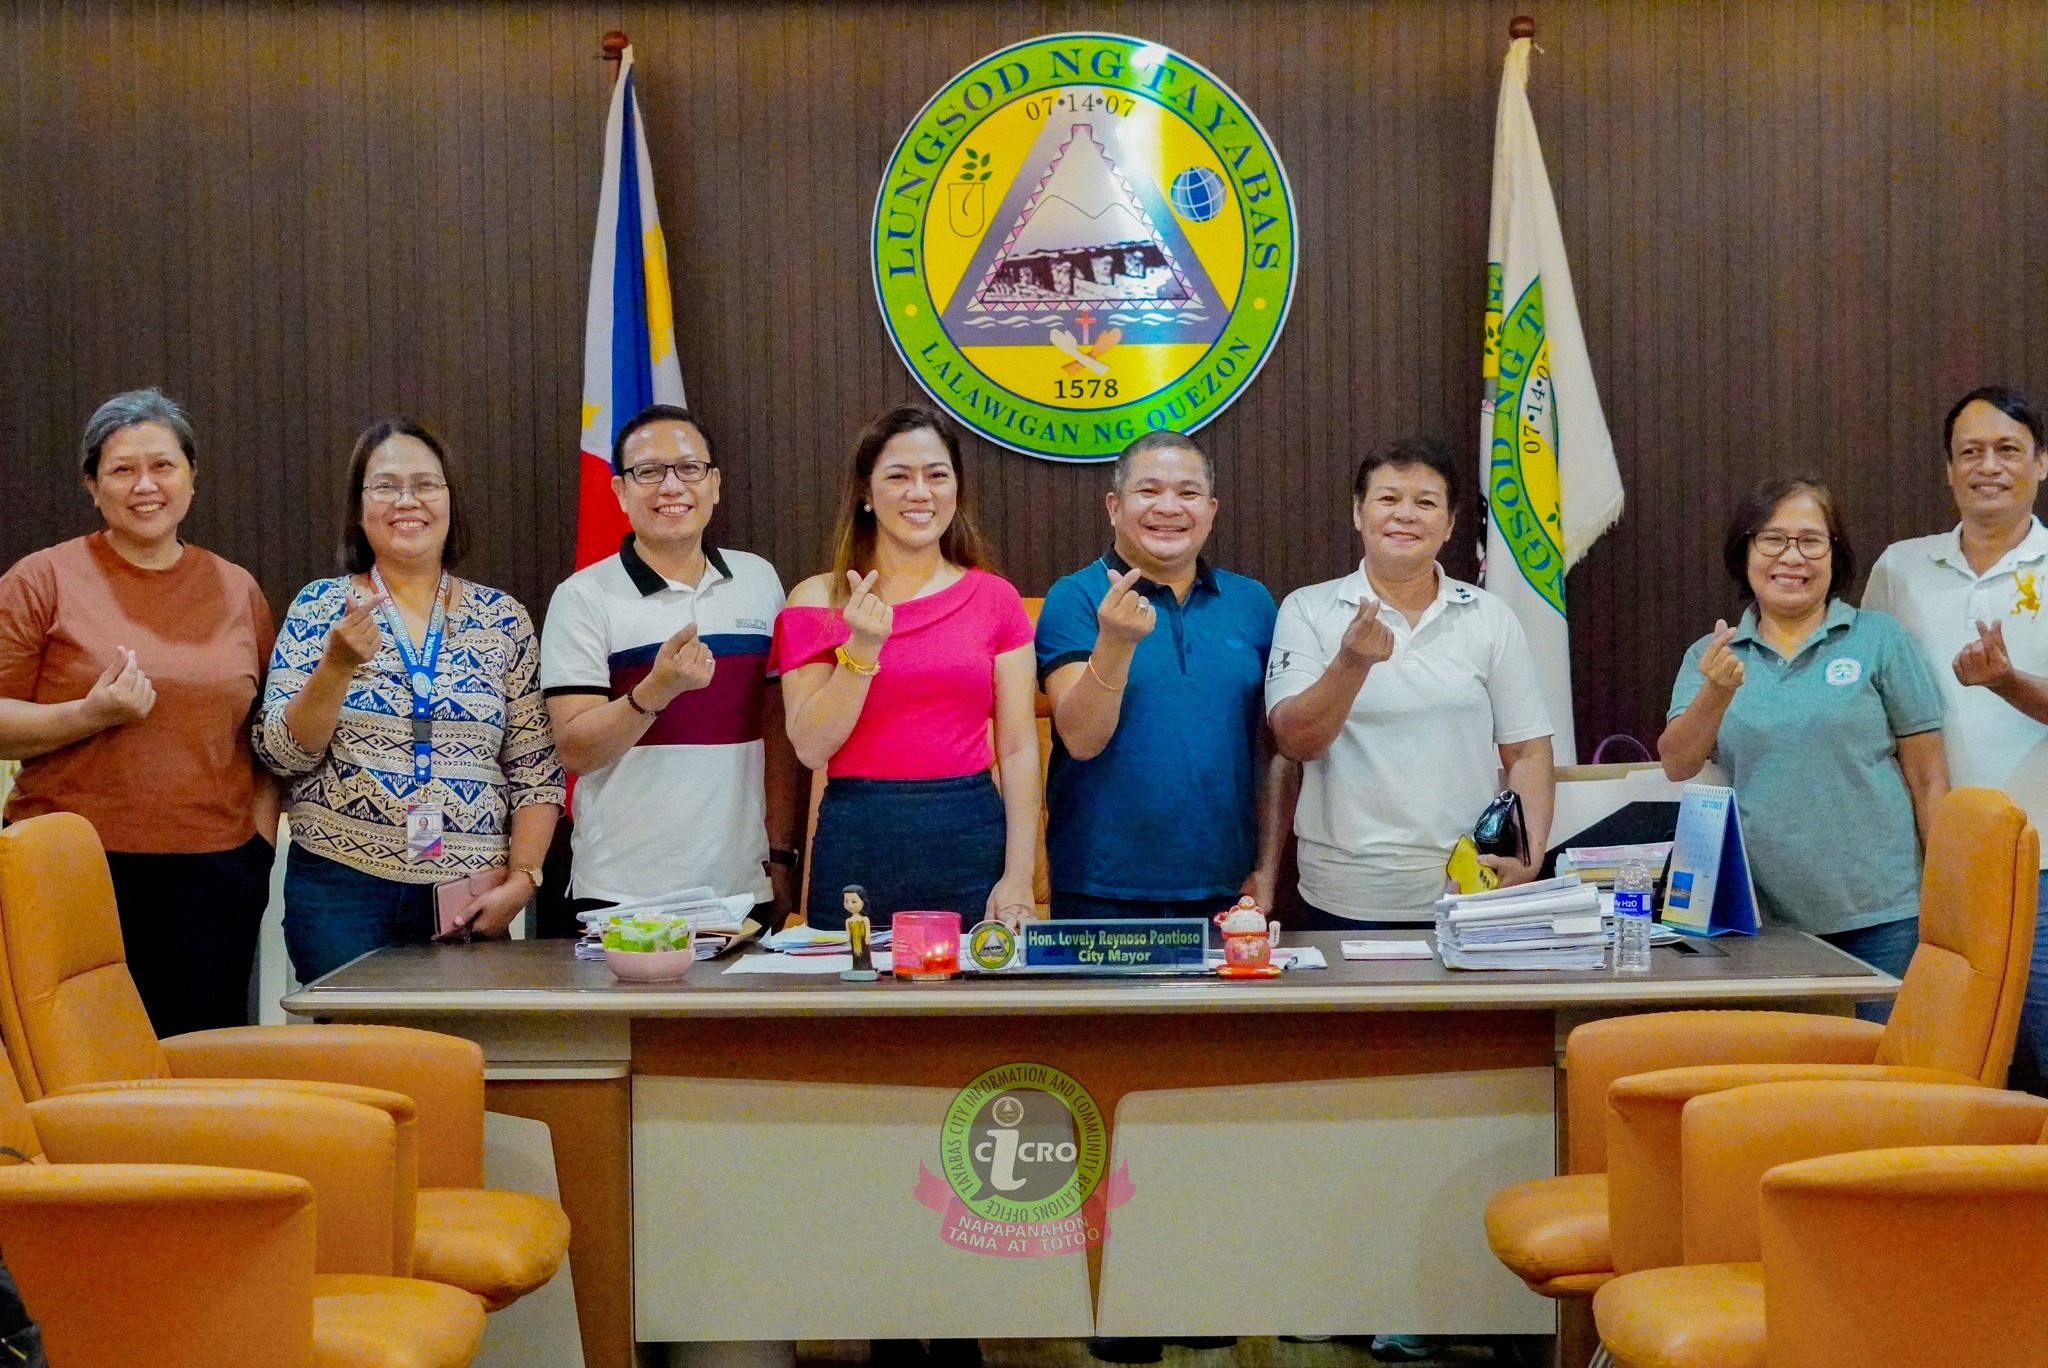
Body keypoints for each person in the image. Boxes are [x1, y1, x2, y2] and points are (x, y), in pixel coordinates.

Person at [0, 388, 277, 1037]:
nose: (144, 485)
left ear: (191, 478)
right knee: (70, 1068)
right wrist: (88, 715)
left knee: (197, 1068)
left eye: (163, 466)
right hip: (67, 868)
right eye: (122, 469)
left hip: (215, 876)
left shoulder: (237, 588)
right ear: (93, 485)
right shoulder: (43, 579)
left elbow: (269, 735)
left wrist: (256, 847)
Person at [256, 419, 563, 983]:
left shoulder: (503, 618)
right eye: (385, 486)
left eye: (425, 484)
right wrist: (336, 666)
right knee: (356, 1062)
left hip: (469, 892)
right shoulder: (321, 607)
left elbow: (536, 770)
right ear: (359, 507)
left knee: (457, 1061)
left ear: (450, 501)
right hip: (341, 890)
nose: (407, 501)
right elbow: (282, 754)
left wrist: (524, 880)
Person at [1662, 476, 1947, 1015]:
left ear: (1835, 555)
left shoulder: (1879, 638)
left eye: (1811, 541)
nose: (1792, 557)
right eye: (1772, 539)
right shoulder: (1712, 652)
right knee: (1790, 1085)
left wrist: (1944, 892)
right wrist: (1716, 691)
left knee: (1884, 1082)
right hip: (1762, 924)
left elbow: (1929, 777)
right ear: (1745, 553)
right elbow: (1678, 762)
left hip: (1884, 916)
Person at [1266, 435, 1555, 926]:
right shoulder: (1308, 609)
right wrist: (1351, 664)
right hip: (1341, 897)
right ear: (1359, 513)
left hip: (1467, 890)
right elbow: (1295, 741)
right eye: (1388, 499)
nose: (1406, 515)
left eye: (1426, 503)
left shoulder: (1489, 616)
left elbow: (1526, 750)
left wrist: (1527, 852)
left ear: (1449, 524)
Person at [776, 403, 1039, 934]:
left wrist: (1018, 876)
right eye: (898, 476)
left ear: (956, 490)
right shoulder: (815, 600)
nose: (920, 492)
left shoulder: (996, 599)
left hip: (969, 832)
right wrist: (862, 652)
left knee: (971, 1011)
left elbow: (1018, 745)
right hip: (858, 833)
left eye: (937, 475)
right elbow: (810, 746)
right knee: (854, 1010)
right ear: (867, 495)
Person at [541, 405, 802, 923]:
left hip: (742, 886)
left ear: (715, 483)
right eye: (648, 472)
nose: (671, 486)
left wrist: (779, 856)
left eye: (688, 468)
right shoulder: (583, 596)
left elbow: (777, 731)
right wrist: (656, 690)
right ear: (619, 490)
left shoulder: (759, 581)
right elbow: (575, 749)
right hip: (623, 889)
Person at [1865, 387, 2048, 1074]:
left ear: (2041, 463)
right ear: (1948, 469)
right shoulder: (1899, 567)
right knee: (1950, 1065)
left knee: (2036, 1054)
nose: (1987, 466)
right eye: (1969, 452)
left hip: (2041, 862)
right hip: (1928, 864)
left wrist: (2008, 681)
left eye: (2007, 450)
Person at [1035, 429, 1291, 922]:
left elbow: (1272, 752)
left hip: (1227, 890)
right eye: (1148, 491)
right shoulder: (1077, 597)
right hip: (1100, 889)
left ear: (1211, 510)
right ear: (1114, 506)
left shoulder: (1252, 603)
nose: (1169, 507)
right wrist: (1115, 642)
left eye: (1188, 493)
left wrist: (1267, 869)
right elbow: (1082, 738)